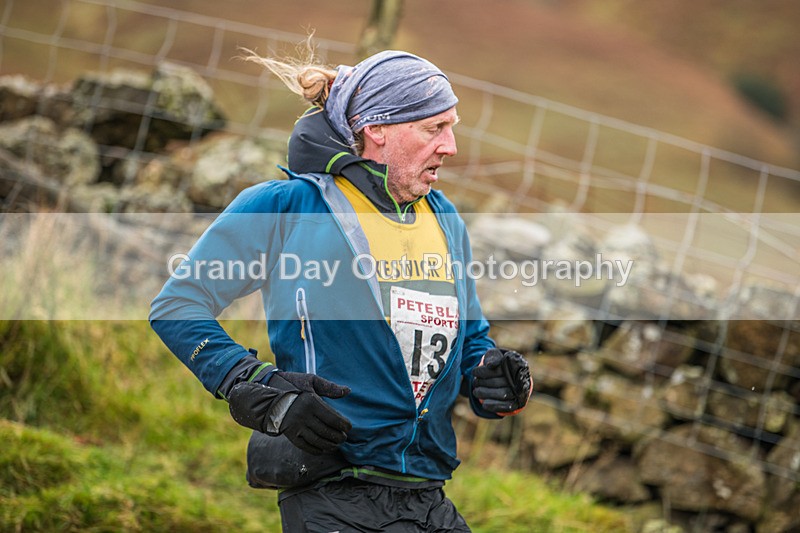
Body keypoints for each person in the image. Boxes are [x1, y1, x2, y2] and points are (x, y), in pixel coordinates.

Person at [150, 43, 532, 532]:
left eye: (452, 127)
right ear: (377, 129)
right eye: (434, 128)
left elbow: (470, 340)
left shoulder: (445, 219)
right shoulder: (289, 205)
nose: (450, 146)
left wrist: (490, 375)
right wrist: (257, 386)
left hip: (427, 492)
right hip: (333, 492)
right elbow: (178, 305)